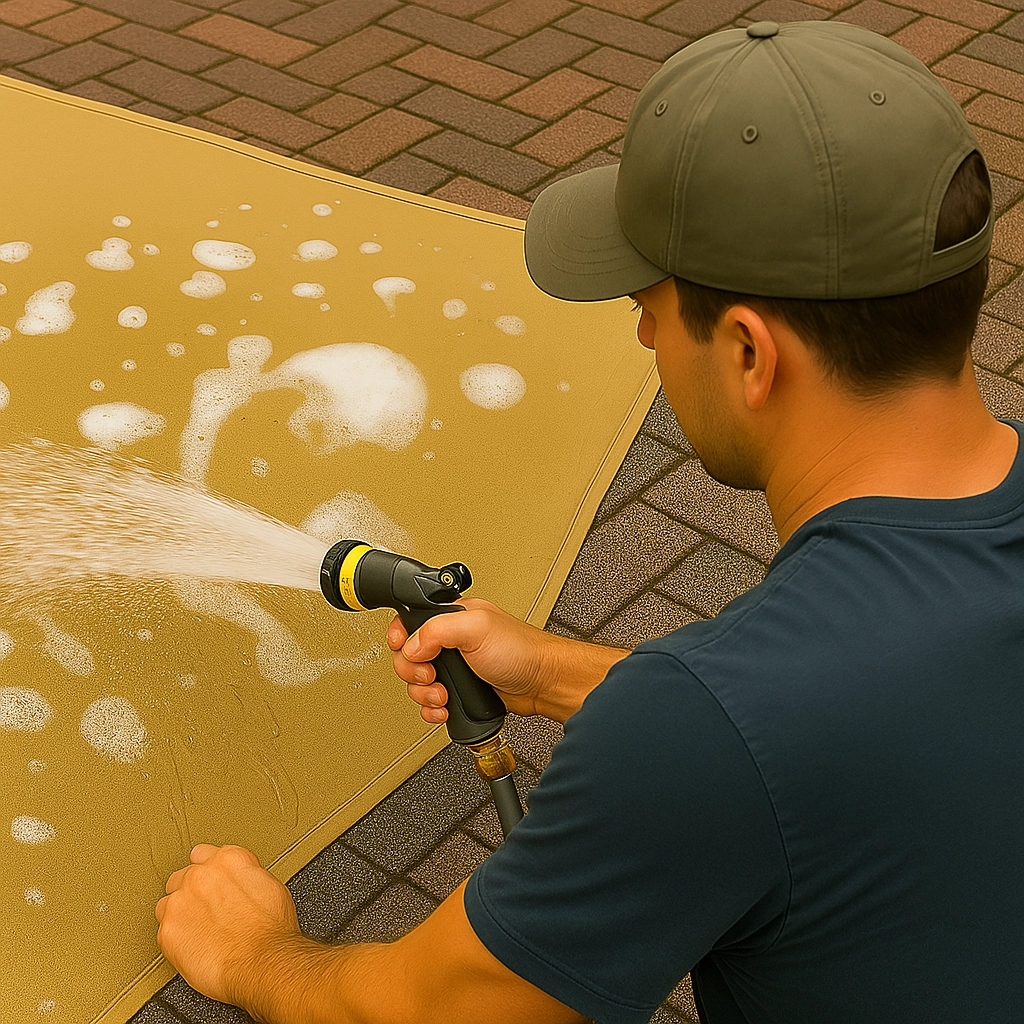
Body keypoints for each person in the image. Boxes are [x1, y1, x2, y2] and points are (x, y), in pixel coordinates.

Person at [154, 20, 1024, 1024]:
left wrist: (255, 951)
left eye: (649, 303)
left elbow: (428, 1010)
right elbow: (876, 727)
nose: (645, 332)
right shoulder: (750, 719)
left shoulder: (707, 731)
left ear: (748, 351)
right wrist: (558, 674)